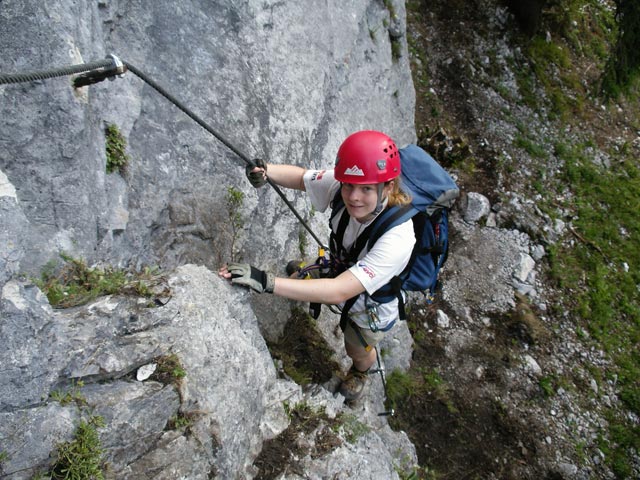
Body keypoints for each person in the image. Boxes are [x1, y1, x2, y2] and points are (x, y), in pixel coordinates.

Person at [218, 130, 416, 401]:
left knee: (355, 347)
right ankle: (308, 277)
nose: (354, 197)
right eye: (349, 186)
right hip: (340, 265)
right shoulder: (347, 182)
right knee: (322, 272)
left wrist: (266, 281)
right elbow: (301, 178)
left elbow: (338, 291)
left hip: (371, 304)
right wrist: (266, 171)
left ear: (389, 187)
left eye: (367, 189)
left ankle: (360, 372)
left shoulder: (399, 238)